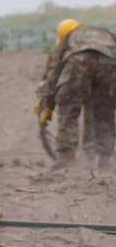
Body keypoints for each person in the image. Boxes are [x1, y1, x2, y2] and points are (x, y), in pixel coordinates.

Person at [34, 18, 116, 169]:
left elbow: (54, 72)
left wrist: (47, 104)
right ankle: (105, 160)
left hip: (78, 62)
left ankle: (66, 159)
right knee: (105, 112)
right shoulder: (103, 33)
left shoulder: (69, 39)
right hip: (110, 63)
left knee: (69, 109)